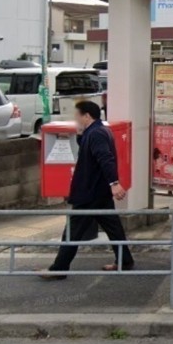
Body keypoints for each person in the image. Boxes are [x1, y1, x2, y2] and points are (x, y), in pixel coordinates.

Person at [38, 100, 133, 279]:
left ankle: (59, 269)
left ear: (87, 116)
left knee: (72, 232)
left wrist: (114, 183)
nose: (75, 119)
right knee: (113, 228)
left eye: (77, 115)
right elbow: (92, 150)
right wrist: (80, 134)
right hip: (99, 192)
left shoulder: (96, 133)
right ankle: (125, 260)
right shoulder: (97, 131)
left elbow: (105, 158)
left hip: (89, 192)